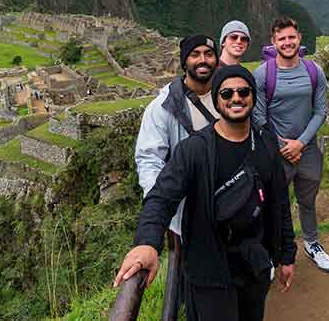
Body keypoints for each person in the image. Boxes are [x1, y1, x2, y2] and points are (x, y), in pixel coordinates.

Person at [115, 65, 296, 321]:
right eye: (226, 93)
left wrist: (286, 255)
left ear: (253, 97)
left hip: (254, 265)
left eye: (243, 91)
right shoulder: (194, 150)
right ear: (217, 101)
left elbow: (278, 203)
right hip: (210, 268)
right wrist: (147, 242)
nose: (236, 98)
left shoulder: (265, 142)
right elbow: (162, 196)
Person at [134, 35, 220, 317]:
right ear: (185, 61)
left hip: (228, 204)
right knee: (191, 271)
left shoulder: (228, 94)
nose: (203, 60)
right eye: (195, 54)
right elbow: (149, 160)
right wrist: (163, 204)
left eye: (208, 53)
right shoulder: (164, 107)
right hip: (187, 211)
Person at [252, 17, 329, 273]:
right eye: (282, 39)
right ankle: (271, 251)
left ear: (299, 39)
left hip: (307, 150)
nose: (287, 43)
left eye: (291, 37)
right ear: (274, 42)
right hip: (276, 153)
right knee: (273, 203)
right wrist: (282, 146)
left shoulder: (313, 71)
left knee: (307, 200)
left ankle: (312, 242)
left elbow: (320, 111)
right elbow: (259, 116)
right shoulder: (264, 74)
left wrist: (300, 143)